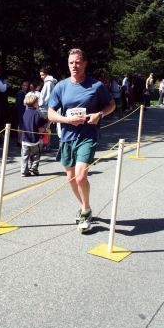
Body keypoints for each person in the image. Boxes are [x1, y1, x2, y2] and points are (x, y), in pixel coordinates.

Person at [48, 48, 116, 232]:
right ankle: (85, 206)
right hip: (67, 138)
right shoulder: (61, 86)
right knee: (70, 178)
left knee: (80, 176)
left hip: (87, 137)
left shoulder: (96, 86)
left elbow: (111, 104)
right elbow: (51, 113)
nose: (74, 66)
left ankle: (85, 211)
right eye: (71, 63)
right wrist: (67, 120)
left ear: (85, 63)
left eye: (78, 62)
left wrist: (99, 115)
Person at [21, 94, 47, 177]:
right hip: (34, 139)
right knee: (36, 154)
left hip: (25, 138)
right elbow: (41, 123)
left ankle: (24, 171)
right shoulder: (37, 113)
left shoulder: (25, 112)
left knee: (25, 156)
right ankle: (34, 168)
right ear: (35, 103)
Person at [38, 66, 57, 150]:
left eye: (42, 75)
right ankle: (46, 144)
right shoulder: (50, 82)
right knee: (47, 127)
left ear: (46, 74)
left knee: (43, 127)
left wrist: (41, 104)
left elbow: (47, 96)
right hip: (48, 107)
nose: (41, 77)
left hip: (45, 108)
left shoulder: (48, 83)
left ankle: (43, 144)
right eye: (40, 75)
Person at [15, 80, 29, 145]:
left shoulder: (25, 93)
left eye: (26, 85)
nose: (25, 87)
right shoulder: (20, 93)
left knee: (22, 125)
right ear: (21, 86)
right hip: (21, 111)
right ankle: (19, 141)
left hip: (24, 111)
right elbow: (19, 104)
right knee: (21, 125)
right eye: (24, 85)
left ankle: (21, 140)